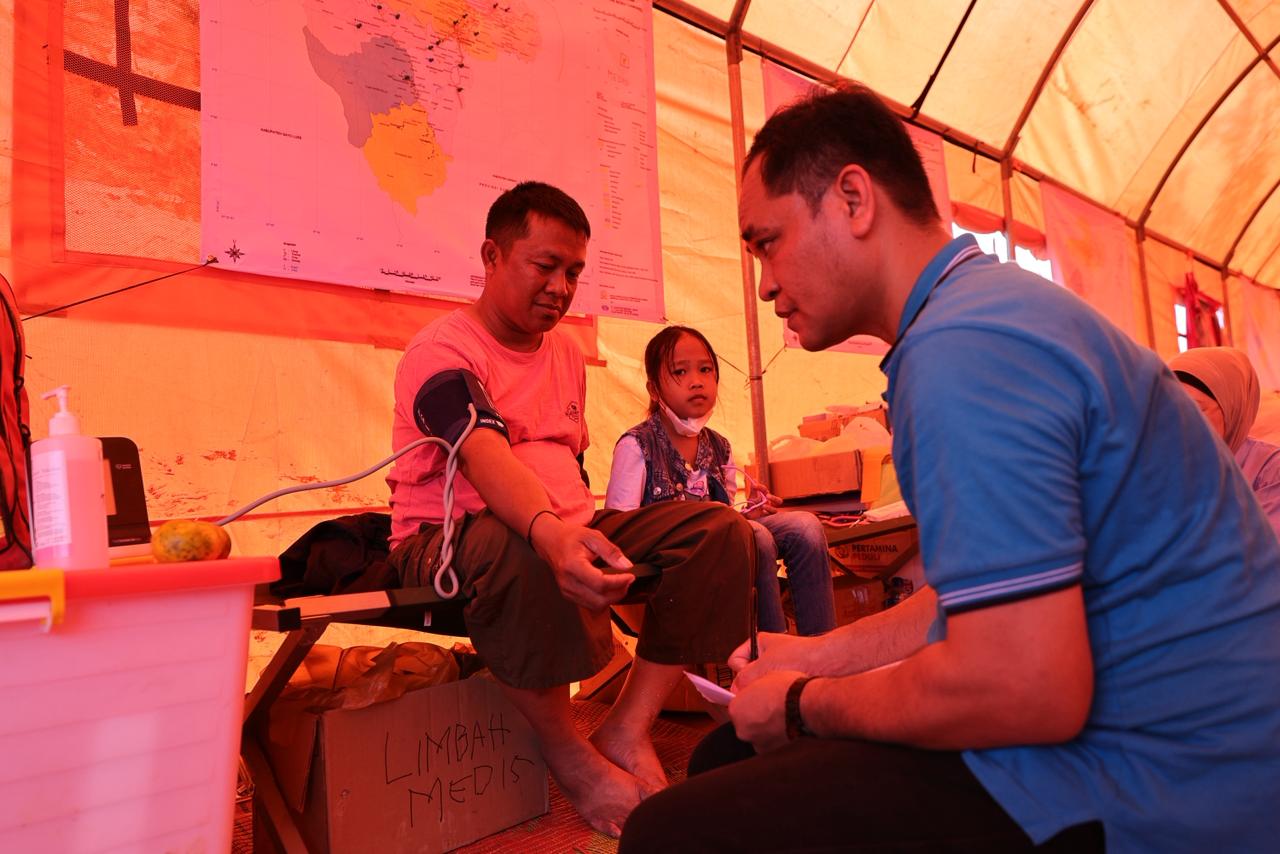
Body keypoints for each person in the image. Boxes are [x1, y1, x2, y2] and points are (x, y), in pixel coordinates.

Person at [620, 86, 1280, 852]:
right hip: (1192, 737)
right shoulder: (987, 310)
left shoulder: (963, 352)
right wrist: (818, 654)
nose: (764, 282)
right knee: (730, 755)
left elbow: (1023, 687)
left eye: (768, 242)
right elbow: (986, 599)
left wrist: (805, 701)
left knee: (670, 831)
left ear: (853, 199)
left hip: (1166, 779)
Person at [385, 181, 754, 837]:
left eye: (574, 272)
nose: (561, 287)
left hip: (562, 523)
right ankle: (570, 755)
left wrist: (574, 531)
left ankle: (627, 727)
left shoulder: (563, 352)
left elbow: (572, 467)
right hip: (447, 542)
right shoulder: (441, 352)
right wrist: (552, 532)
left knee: (722, 531)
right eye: (546, 266)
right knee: (521, 537)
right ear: (493, 256)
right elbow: (484, 456)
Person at [604, 324, 836, 636]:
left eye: (705, 369)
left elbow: (728, 519)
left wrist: (749, 512)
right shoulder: (636, 445)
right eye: (680, 372)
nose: (696, 381)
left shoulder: (720, 446)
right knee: (756, 537)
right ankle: (769, 649)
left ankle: (820, 645)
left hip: (723, 546)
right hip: (672, 563)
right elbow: (621, 531)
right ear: (654, 390)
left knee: (805, 527)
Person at [1169, 346, 1280, 536]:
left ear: (1231, 409)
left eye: (1195, 408)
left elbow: (1263, 545)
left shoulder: (1270, 470)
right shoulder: (1161, 462)